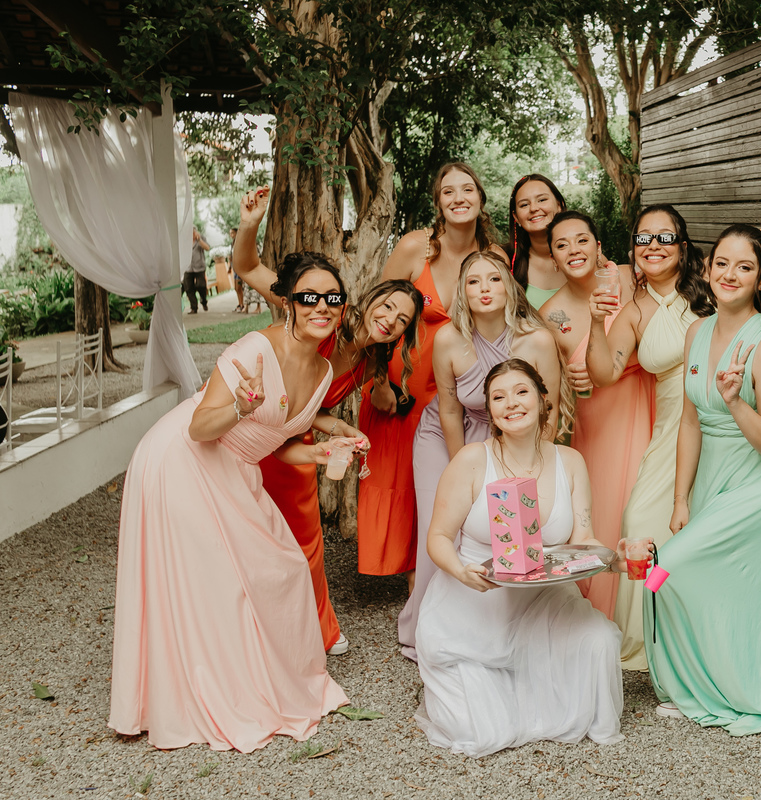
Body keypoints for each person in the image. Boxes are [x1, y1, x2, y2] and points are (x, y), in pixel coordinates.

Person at [585, 124, 761, 671]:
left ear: (685, 247)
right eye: (644, 238)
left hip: (736, 430)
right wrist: (592, 321)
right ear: (634, 249)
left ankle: (709, 650)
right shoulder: (632, 307)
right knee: (642, 524)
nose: (654, 246)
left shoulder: (714, 281)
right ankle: (652, 643)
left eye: (665, 237)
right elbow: (603, 372)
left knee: (711, 548)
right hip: (678, 430)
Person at [109, 252, 352, 752]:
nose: (321, 307)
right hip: (183, 458)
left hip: (237, 466)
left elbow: (277, 443)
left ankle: (255, 680)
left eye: (332, 297)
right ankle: (202, 694)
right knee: (214, 580)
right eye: (309, 296)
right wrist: (240, 406)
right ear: (288, 302)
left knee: (282, 566)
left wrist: (319, 451)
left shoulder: (324, 370)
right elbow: (201, 426)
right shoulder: (256, 348)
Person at [645, 224, 761, 733]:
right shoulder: (696, 332)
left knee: (667, 569)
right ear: (706, 269)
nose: (729, 274)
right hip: (713, 478)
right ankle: (703, 682)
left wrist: (734, 402)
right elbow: (689, 422)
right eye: (722, 263)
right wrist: (680, 499)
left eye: (744, 267)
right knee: (715, 588)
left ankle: (737, 689)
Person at [233, 186, 424, 655]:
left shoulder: (370, 361)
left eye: (402, 320)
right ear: (370, 299)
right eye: (387, 306)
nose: (390, 319)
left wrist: (341, 427)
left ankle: (317, 630)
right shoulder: (320, 313)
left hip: (294, 444)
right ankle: (248, 632)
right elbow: (248, 268)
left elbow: (316, 407)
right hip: (253, 433)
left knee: (306, 541)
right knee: (243, 533)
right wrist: (250, 224)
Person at [415, 358, 625, 757]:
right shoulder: (472, 460)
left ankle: (536, 677)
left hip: (544, 601)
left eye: (521, 391)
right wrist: (461, 571)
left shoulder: (570, 462)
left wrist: (616, 559)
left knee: (598, 640)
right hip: (474, 607)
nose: (511, 403)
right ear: (490, 410)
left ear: (543, 399)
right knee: (480, 732)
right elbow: (438, 538)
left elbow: (583, 539)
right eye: (498, 397)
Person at [397, 251, 562, 660]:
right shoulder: (448, 339)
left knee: (505, 524)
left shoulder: (537, 340)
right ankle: (425, 630)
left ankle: (501, 623)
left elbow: (550, 410)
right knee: (442, 527)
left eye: (493, 279)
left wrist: (532, 463)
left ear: (509, 287)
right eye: (473, 281)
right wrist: (467, 468)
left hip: (514, 437)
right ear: (462, 291)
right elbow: (450, 409)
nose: (484, 289)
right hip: (446, 437)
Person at [358, 162, 504, 579]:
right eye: (448, 191)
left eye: (467, 189)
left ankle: (444, 569)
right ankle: (413, 574)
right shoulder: (413, 247)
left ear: (480, 198)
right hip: (402, 385)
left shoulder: (493, 256)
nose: (459, 198)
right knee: (403, 480)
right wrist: (379, 382)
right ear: (438, 202)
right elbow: (378, 312)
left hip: (459, 387)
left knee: (446, 480)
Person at [541, 210, 655, 619]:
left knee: (648, 506)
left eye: (582, 239)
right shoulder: (550, 314)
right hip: (599, 422)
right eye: (561, 245)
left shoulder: (629, 278)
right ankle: (607, 616)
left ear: (598, 245)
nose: (573, 250)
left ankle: (651, 610)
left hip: (648, 403)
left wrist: (616, 364)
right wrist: (574, 377)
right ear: (553, 259)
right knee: (606, 512)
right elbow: (553, 384)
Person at [507, 174, 567, 308]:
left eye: (542, 200)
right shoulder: (507, 260)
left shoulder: (585, 254)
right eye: (524, 205)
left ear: (559, 205)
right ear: (515, 216)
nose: (533, 208)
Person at [184, 227, 210, 314]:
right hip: (188, 267)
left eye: (193, 232)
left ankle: (204, 301)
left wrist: (199, 240)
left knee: (201, 286)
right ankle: (193, 307)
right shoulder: (185, 240)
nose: (192, 234)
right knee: (188, 287)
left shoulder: (201, 238)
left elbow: (207, 248)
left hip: (199, 267)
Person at [229, 226, 247, 312]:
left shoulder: (240, 242)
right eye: (230, 233)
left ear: (237, 233)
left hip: (240, 268)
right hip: (235, 267)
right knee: (236, 288)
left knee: (239, 287)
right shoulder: (232, 244)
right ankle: (240, 304)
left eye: (233, 233)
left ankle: (243, 304)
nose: (231, 235)